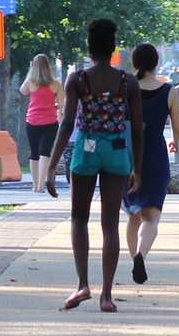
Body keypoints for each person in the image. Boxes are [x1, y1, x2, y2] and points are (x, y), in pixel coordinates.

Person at [45, 18, 143, 312]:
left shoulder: (77, 79)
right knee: (110, 224)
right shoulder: (128, 82)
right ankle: (107, 295)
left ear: (89, 48)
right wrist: (137, 167)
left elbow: (65, 124)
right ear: (113, 47)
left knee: (79, 219)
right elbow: (137, 129)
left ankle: (83, 284)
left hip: (85, 151)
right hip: (116, 152)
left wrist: (51, 166)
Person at [124, 43, 179, 284]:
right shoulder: (169, 91)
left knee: (133, 214)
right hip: (156, 155)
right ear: (156, 63)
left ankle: (134, 260)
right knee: (151, 217)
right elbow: (177, 127)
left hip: (128, 155)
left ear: (135, 63)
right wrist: (176, 142)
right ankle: (141, 254)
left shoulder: (126, 88)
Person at [19, 54, 63, 193]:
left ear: (34, 66)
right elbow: (62, 103)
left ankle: (34, 185)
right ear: (48, 66)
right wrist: (57, 111)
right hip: (50, 122)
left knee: (34, 153)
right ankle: (41, 185)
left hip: (32, 121)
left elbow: (22, 91)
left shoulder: (31, 82)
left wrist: (30, 71)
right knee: (45, 153)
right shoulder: (55, 83)